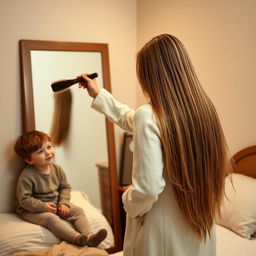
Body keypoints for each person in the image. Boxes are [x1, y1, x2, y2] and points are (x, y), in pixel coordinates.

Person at [78, 34, 232, 256]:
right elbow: (133, 119)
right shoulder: (205, 112)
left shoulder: (150, 116)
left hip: (160, 239)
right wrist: (99, 94)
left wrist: (128, 200)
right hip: (197, 235)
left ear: (151, 76)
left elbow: (148, 189)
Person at [14, 130, 107, 247]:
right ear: (29, 160)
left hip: (54, 202)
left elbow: (65, 187)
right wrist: (43, 207)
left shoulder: (57, 169)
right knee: (50, 219)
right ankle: (77, 238)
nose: (48, 153)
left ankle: (89, 236)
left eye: (49, 147)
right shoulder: (27, 176)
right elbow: (24, 199)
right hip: (30, 209)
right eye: (40, 152)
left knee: (78, 211)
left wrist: (64, 203)